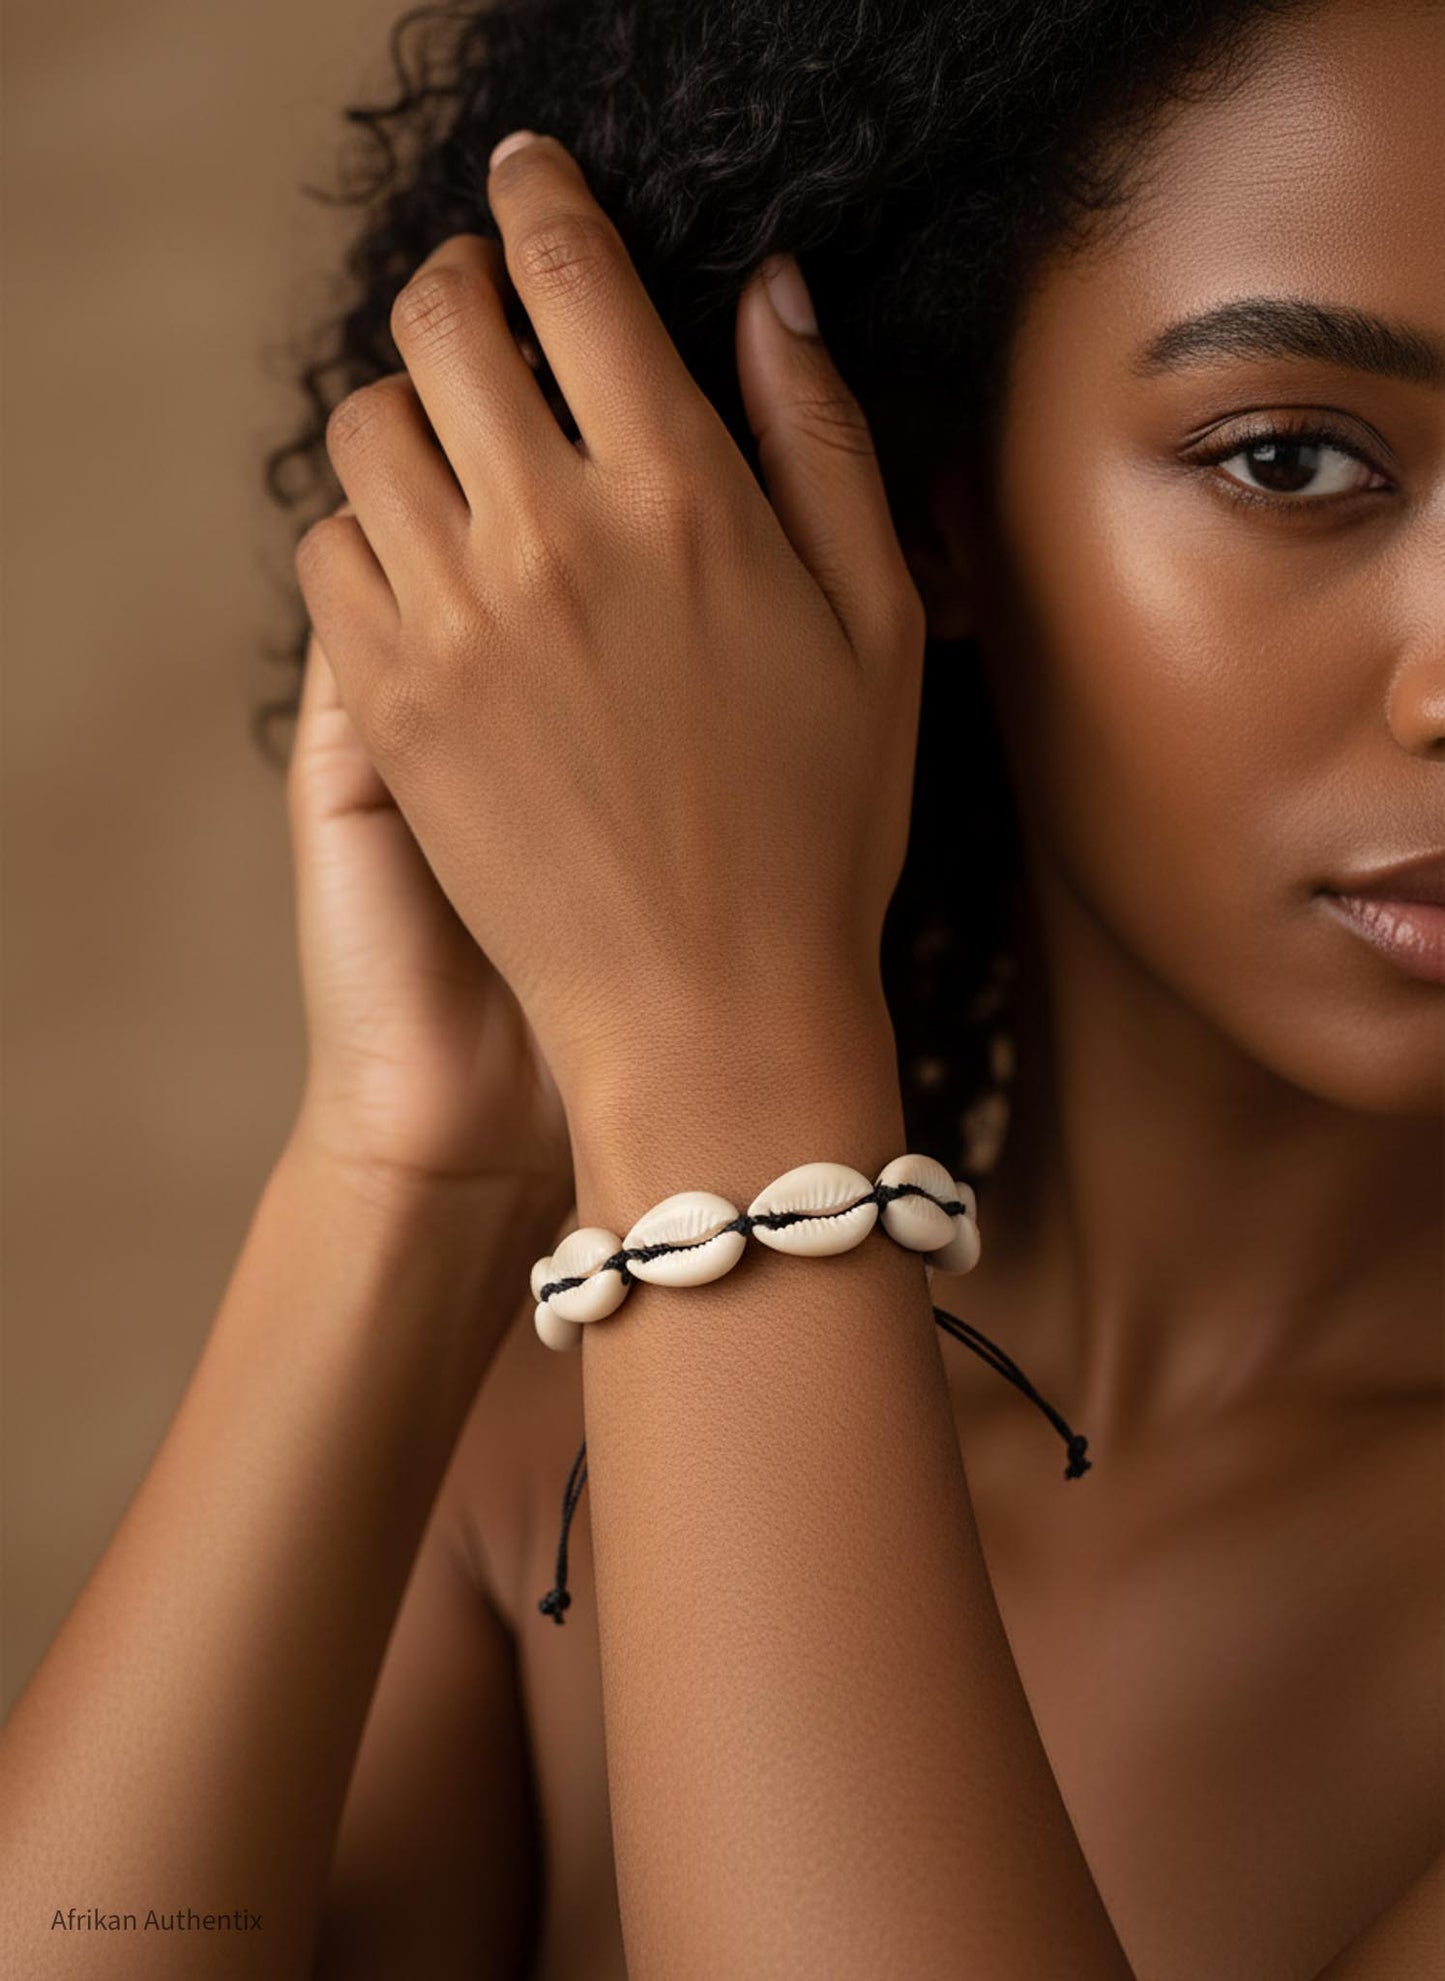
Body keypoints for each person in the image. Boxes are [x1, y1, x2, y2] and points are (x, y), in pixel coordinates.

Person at [2, 0, 1440, 1974]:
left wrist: (725, 1065)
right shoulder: (529, 1474)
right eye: (1294, 458)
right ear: (922, 513)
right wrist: (407, 1177)